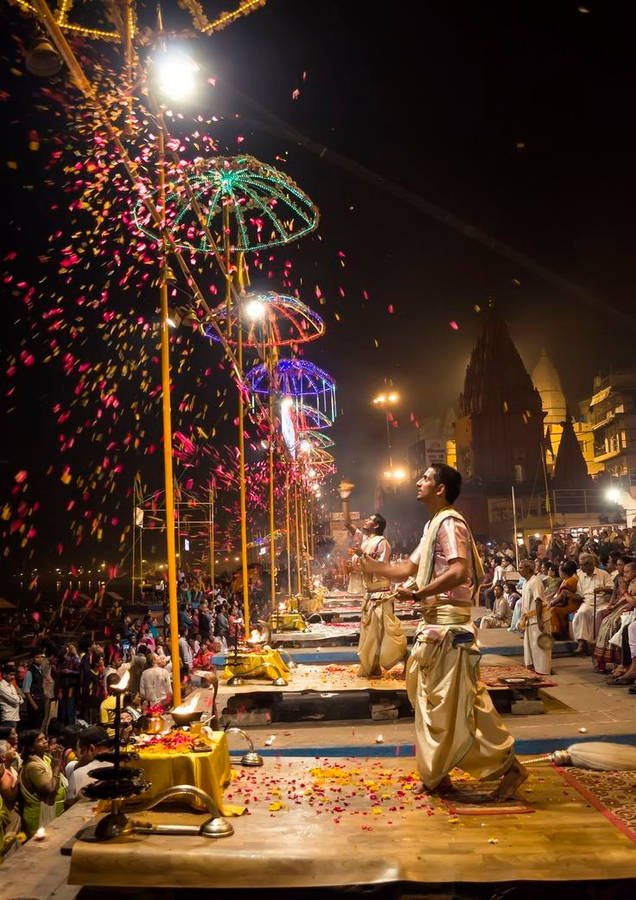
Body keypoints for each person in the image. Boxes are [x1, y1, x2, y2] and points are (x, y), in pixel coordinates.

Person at [360, 464, 526, 800]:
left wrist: (419, 593)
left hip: (449, 628)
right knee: (431, 702)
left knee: (459, 703)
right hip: (434, 626)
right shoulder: (432, 525)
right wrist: (372, 567)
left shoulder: (449, 523)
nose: (418, 481)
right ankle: (440, 772)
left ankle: (510, 767)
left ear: (440, 489)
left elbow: (459, 571)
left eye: (425, 478)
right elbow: (407, 568)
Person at [18, 730, 67, 838]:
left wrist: (57, 763)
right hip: (39, 815)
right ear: (31, 748)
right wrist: (57, 767)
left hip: (52, 811)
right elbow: (50, 789)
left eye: (45, 738)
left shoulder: (45, 758)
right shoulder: (33, 766)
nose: (45, 741)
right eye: (39, 740)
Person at [592, 556, 636, 673]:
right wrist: (613, 606)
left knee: (614, 623)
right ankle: (603, 660)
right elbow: (619, 597)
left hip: (630, 608)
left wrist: (624, 592)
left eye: (627, 571)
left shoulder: (633, 582)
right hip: (624, 605)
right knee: (606, 620)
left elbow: (631, 600)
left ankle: (620, 663)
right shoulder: (622, 579)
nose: (619, 569)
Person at [572, 553, 614, 654]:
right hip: (587, 601)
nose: (581, 567)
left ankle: (597, 644)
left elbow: (612, 588)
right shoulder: (579, 575)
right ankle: (582, 643)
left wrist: (602, 589)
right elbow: (579, 593)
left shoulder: (603, 574)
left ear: (591, 564)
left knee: (599, 615)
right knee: (581, 613)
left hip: (602, 602)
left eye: (583, 565)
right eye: (580, 564)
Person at [518, 559, 552, 675]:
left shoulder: (535, 581)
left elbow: (538, 601)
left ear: (528, 569)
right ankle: (534, 669)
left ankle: (543, 671)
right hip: (529, 619)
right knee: (531, 646)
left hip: (538, 618)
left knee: (540, 646)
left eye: (521, 567)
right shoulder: (526, 582)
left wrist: (539, 621)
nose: (519, 570)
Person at [66, 726, 111, 802]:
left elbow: (68, 808)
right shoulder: (124, 765)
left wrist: (75, 800)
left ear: (91, 748)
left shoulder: (79, 774)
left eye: (82, 751)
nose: (79, 757)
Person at [548, 560, 580, 640]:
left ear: (564, 572)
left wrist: (552, 603)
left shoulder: (572, 580)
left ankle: (558, 633)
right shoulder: (565, 580)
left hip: (572, 604)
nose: (559, 573)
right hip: (565, 603)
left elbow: (563, 595)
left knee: (553, 610)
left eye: (559, 571)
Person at [22, 650, 46, 731]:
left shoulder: (39, 670)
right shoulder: (30, 672)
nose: (40, 659)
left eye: (41, 657)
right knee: (33, 726)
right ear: (32, 659)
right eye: (37, 657)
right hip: (34, 702)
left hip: (40, 701)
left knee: (39, 724)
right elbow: (26, 690)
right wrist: (34, 705)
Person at [0, 662, 23, 729]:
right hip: (7, 718)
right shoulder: (1, 686)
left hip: (14, 717)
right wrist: (18, 697)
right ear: (4, 675)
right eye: (11, 675)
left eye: (14, 675)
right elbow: (15, 700)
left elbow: (21, 700)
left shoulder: (11, 686)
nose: (13, 677)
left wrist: (18, 697)